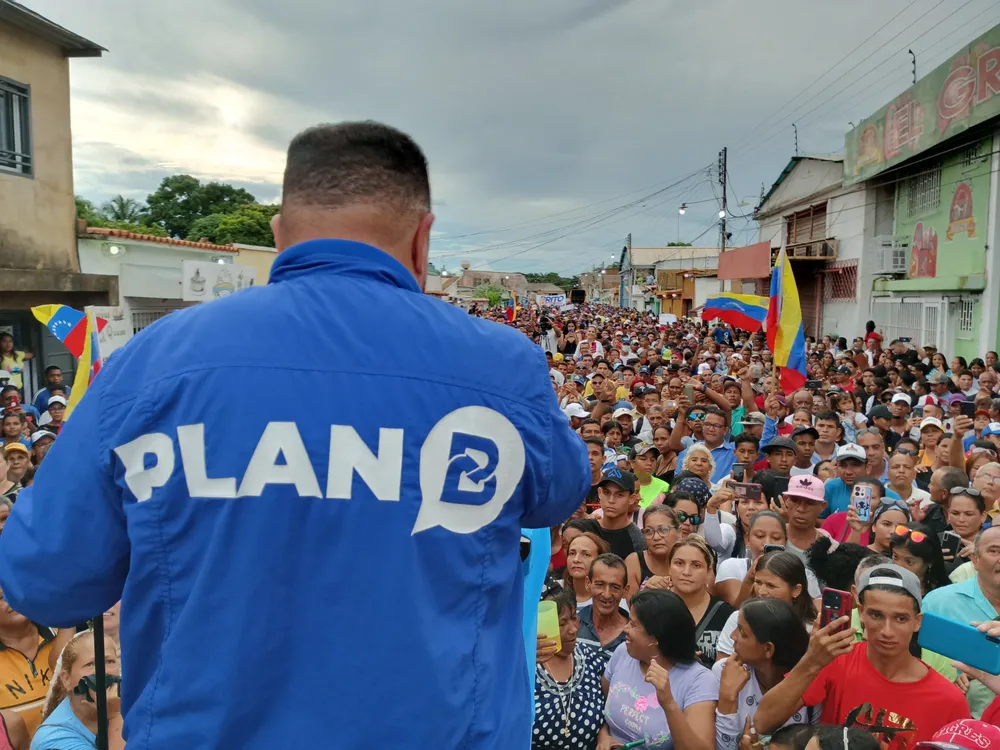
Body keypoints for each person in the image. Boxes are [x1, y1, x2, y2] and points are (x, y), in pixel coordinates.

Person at [0, 122, 593, 750]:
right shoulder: (501, 368)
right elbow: (560, 494)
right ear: (423, 240)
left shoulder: (149, 365)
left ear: (280, 235)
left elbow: (46, 581)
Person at [754, 564, 970, 745]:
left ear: (917, 622)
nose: (887, 631)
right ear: (861, 613)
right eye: (876, 615)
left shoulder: (949, 700)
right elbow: (764, 722)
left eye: (900, 618)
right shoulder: (837, 661)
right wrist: (812, 660)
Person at [599, 589, 718, 750]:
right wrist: (604, 736)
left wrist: (669, 704)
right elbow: (602, 705)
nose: (625, 629)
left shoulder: (699, 681)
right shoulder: (623, 653)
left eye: (633, 624)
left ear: (656, 637)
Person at [713, 598, 813, 750]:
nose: (733, 636)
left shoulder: (808, 681)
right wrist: (727, 699)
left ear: (768, 649)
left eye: (742, 632)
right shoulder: (724, 671)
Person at [532, 589, 604, 750]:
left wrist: (604, 734)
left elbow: (611, 707)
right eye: (562, 624)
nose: (573, 629)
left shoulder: (589, 657)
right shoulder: (527, 667)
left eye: (573, 618)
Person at [715, 550, 818, 659]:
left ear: (796, 590)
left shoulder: (812, 630)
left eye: (771, 585)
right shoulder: (737, 619)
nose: (761, 591)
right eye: (758, 582)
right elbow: (722, 666)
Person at [32, 630, 124, 750]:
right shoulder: (53, 739)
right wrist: (115, 716)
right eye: (90, 664)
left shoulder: (126, 705)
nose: (104, 671)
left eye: (110, 661)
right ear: (66, 679)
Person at [667, 536, 733, 666]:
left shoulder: (726, 615)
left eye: (696, 565)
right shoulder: (651, 608)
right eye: (679, 563)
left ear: (708, 572)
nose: (686, 572)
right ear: (669, 568)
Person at [576, 554, 630, 668]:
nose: (606, 594)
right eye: (600, 585)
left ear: (625, 591)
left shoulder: (634, 635)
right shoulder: (572, 625)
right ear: (588, 584)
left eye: (615, 587)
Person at [595, 467, 646, 560]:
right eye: (606, 493)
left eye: (619, 495)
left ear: (631, 499)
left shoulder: (636, 539)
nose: (611, 500)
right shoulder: (587, 528)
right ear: (599, 493)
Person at [624, 505, 679, 593]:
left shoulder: (689, 562)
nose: (656, 537)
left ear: (678, 532)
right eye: (648, 531)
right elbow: (628, 601)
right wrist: (645, 591)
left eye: (663, 530)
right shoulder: (634, 562)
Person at [565, 532, 610, 608]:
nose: (576, 559)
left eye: (586, 554)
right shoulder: (554, 590)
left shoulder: (611, 600)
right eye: (572, 553)